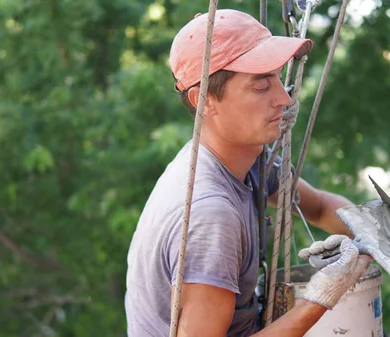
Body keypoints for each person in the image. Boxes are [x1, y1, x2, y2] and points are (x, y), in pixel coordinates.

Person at [125, 9, 373, 337]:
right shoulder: (211, 214)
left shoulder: (247, 159)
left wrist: (381, 232)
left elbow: (320, 207)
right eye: (260, 87)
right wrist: (319, 299)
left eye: (277, 79)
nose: (283, 99)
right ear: (205, 100)